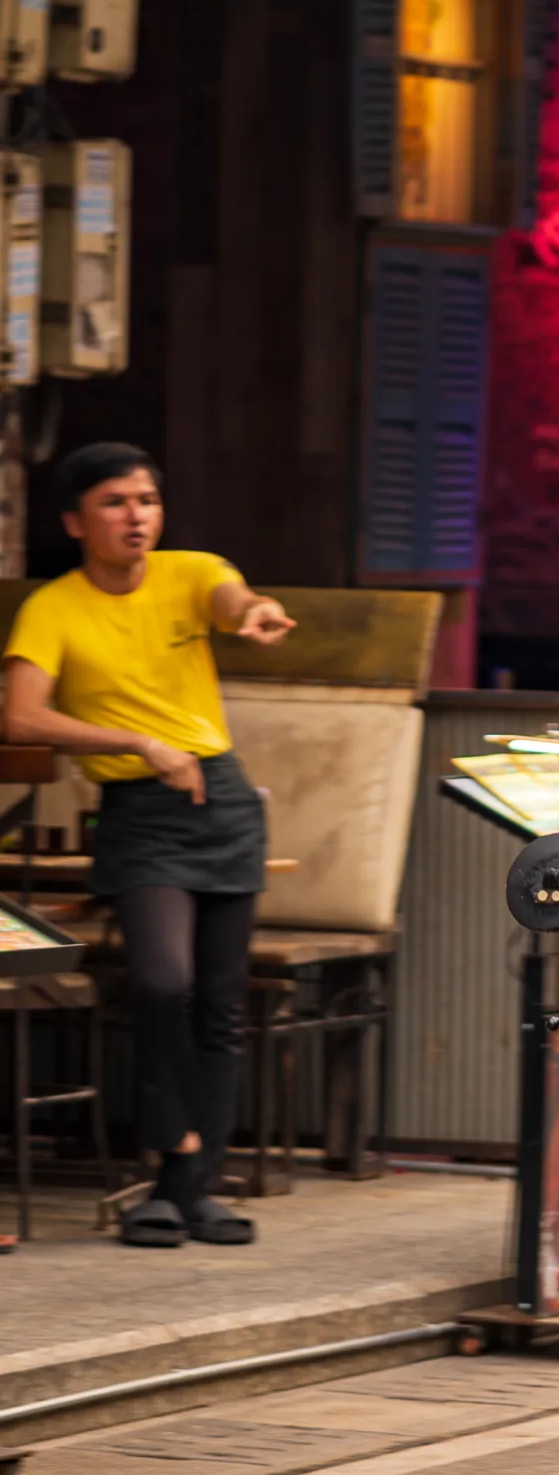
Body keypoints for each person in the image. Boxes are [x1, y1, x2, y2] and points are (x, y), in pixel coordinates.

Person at [2, 445, 294, 1244]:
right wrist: (136, 741)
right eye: (113, 502)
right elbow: (20, 717)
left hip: (223, 801)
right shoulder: (52, 608)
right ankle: (176, 1154)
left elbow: (232, 600)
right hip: (138, 809)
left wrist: (253, 613)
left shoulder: (192, 572)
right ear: (73, 521)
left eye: (147, 500)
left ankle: (191, 1190)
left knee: (220, 1005)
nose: (136, 515)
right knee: (164, 984)